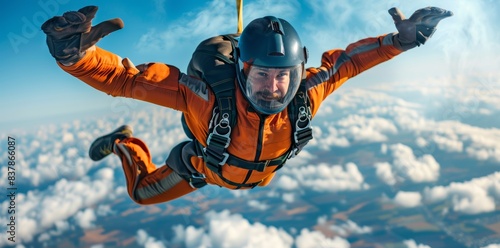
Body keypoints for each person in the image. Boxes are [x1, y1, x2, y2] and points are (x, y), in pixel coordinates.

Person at [41, 6, 452, 205]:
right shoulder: (205, 95)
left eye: (283, 76)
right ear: (241, 70)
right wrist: (74, 57)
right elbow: (127, 79)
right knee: (142, 193)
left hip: (243, 174)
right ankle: (123, 143)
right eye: (261, 75)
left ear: (297, 70)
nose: (273, 88)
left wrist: (401, 41)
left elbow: (348, 62)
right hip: (205, 170)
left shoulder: (305, 94)